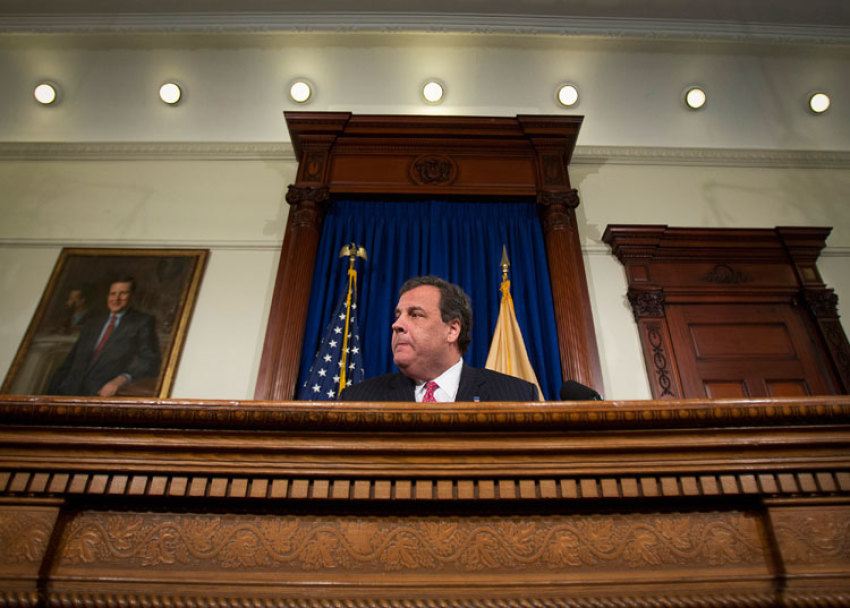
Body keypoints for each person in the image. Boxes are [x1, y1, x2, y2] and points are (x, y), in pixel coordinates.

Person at [340, 275, 539, 402]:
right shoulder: (358, 399)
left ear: (452, 330)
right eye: (398, 315)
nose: (397, 325)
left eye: (415, 315)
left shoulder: (516, 396)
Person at [47, 277, 161, 397]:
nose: (116, 299)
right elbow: (71, 360)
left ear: (132, 296)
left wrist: (120, 380)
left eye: (123, 293)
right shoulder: (93, 321)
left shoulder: (142, 322)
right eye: (113, 294)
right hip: (69, 390)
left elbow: (150, 360)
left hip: (103, 393)